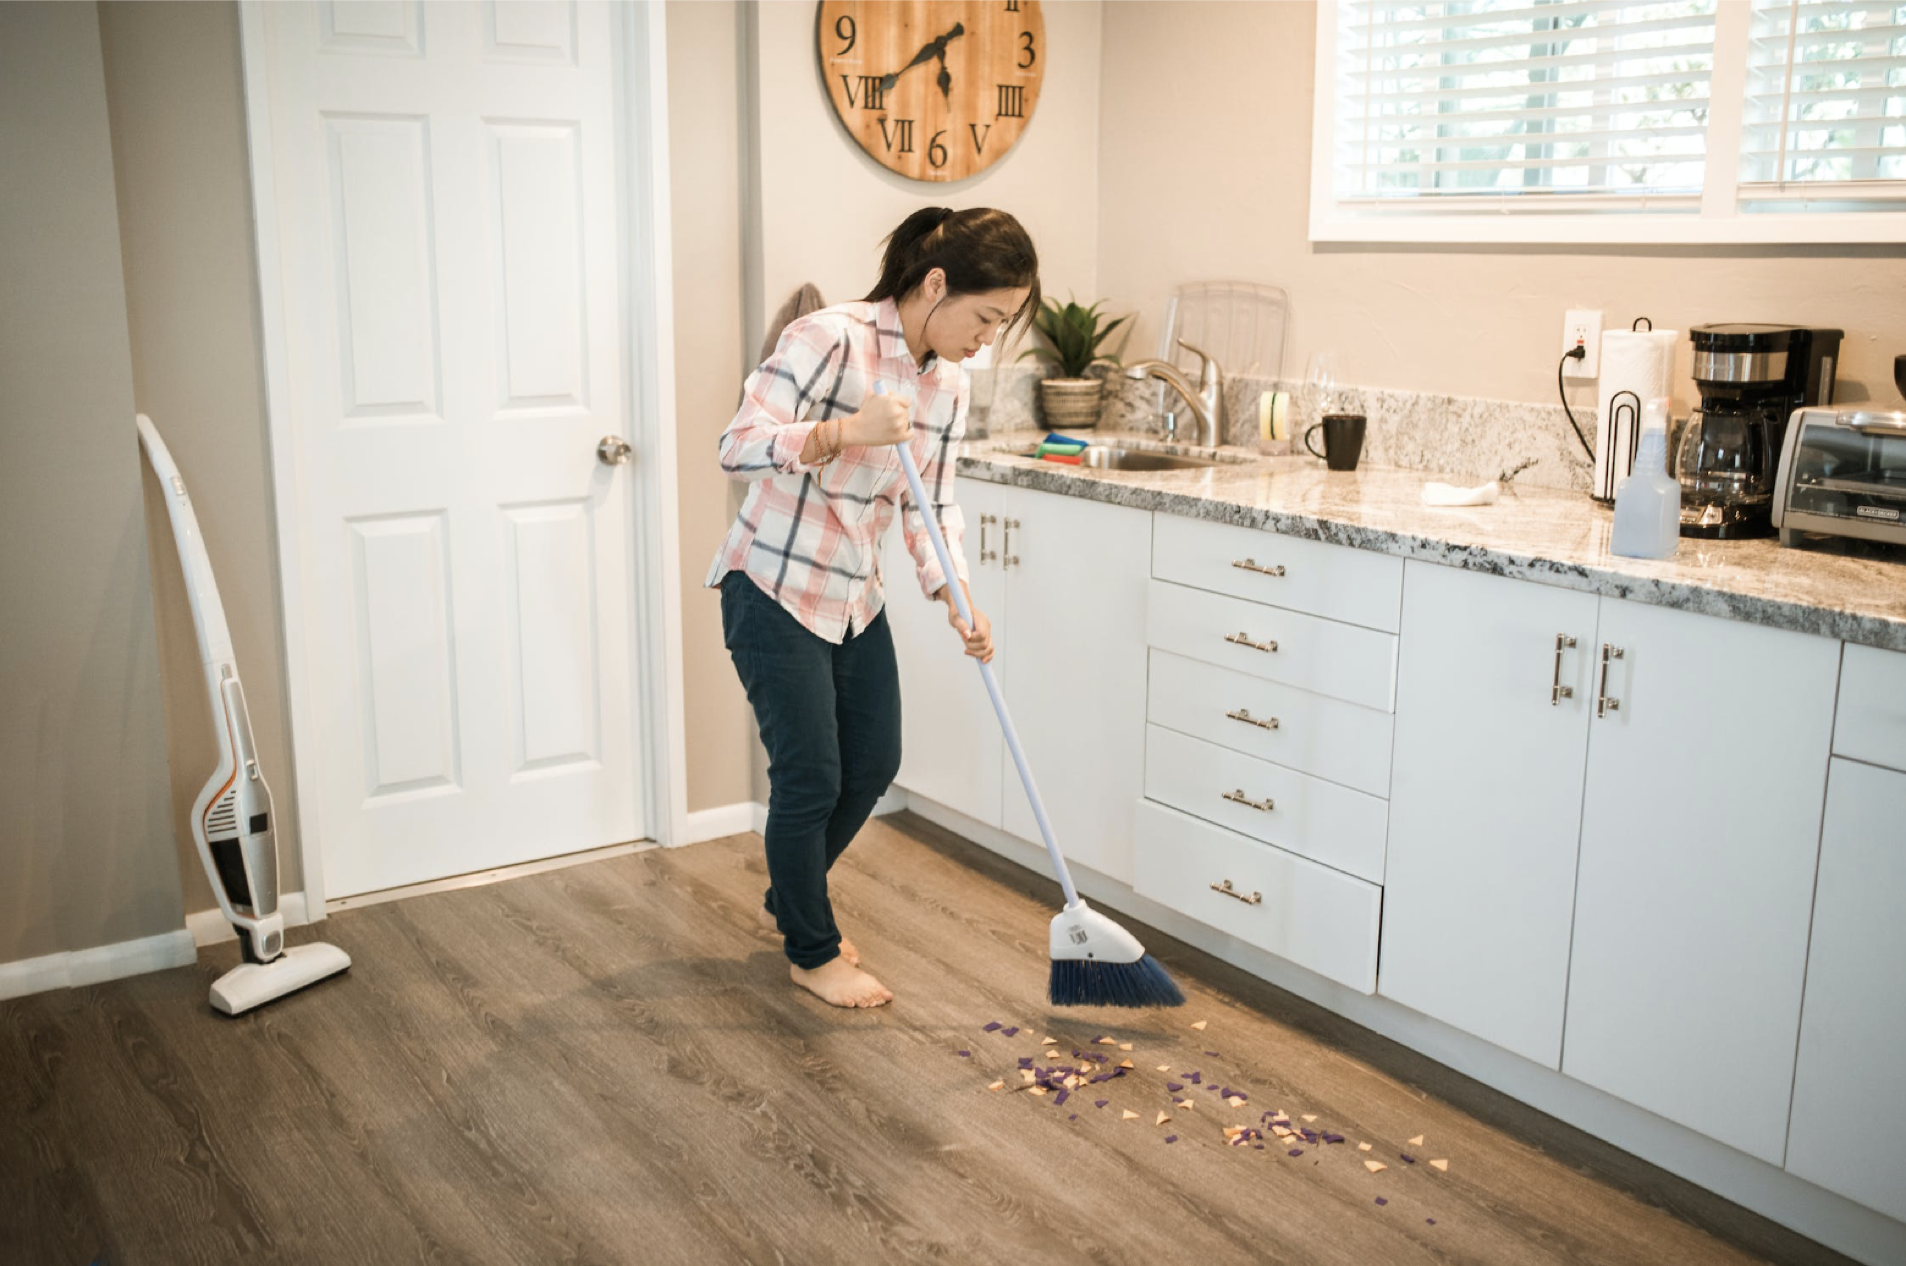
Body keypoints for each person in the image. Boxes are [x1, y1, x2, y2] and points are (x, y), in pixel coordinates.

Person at [706, 206, 1039, 1009]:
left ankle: (793, 896)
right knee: (812, 777)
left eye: (1004, 323)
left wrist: (958, 597)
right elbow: (736, 445)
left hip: (854, 596)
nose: (988, 338)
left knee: (874, 764)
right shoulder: (830, 338)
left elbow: (937, 506)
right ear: (935, 284)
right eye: (986, 316)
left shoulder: (948, 387)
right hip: (773, 588)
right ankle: (811, 949)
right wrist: (840, 431)